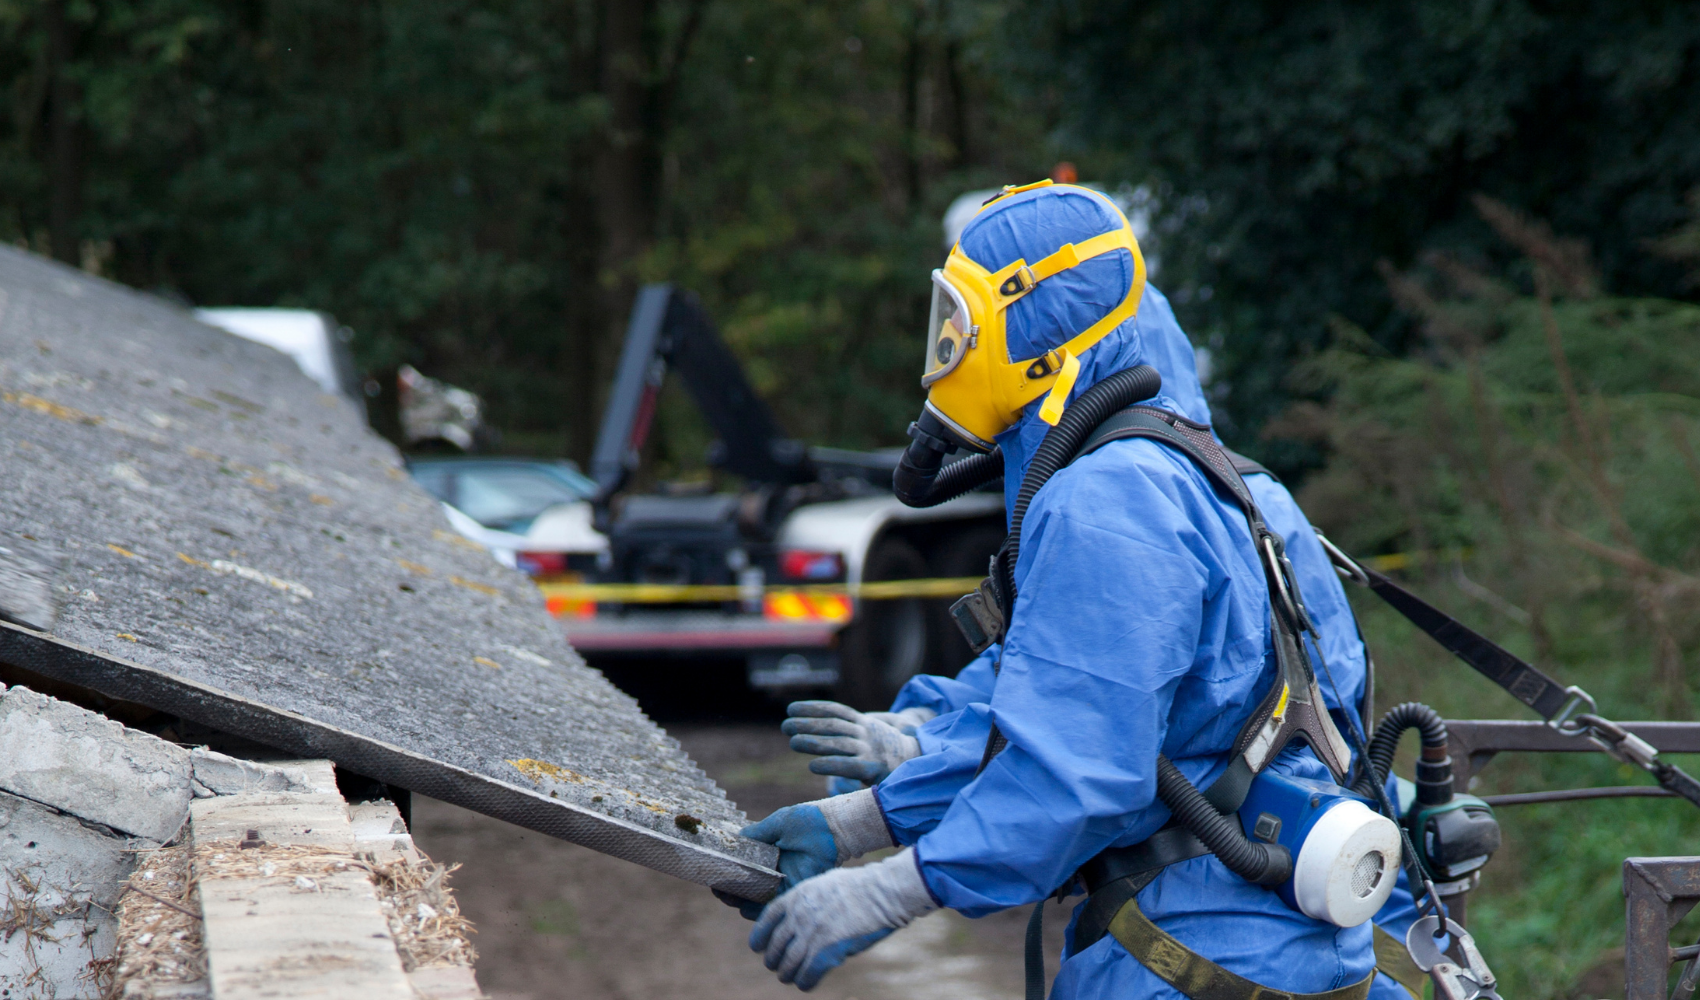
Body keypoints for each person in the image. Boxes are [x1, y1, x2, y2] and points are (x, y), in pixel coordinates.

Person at [732, 182, 1388, 996]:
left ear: (1034, 331)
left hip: (1181, 957)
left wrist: (891, 886)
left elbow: (1075, 771)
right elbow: (1099, 719)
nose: (945, 352)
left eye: (959, 325)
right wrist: (864, 817)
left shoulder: (1105, 502)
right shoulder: (1235, 484)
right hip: (1292, 952)